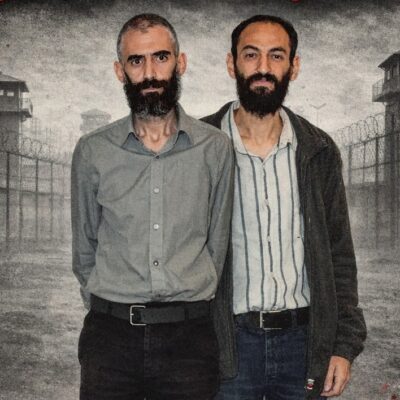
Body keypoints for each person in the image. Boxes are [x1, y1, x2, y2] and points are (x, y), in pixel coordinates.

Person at [202, 15, 367, 400]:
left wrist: (342, 346)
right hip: (224, 347)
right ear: (231, 64)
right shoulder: (198, 148)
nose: (263, 68)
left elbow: (339, 254)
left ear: (294, 66)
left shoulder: (319, 151)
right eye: (251, 55)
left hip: (303, 347)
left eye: (276, 56)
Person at [71, 13, 233, 400]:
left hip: (189, 342)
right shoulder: (93, 151)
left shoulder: (215, 148)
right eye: (136, 61)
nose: (150, 73)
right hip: (109, 341)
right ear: (120, 71)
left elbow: (217, 245)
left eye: (161, 57)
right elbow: (84, 250)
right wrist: (112, 302)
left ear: (181, 62)